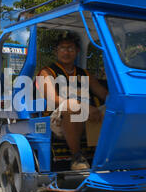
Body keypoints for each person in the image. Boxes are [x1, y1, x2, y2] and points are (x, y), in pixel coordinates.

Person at [37, 34, 108, 171]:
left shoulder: (85, 74)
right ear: (56, 51)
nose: (66, 52)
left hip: (89, 118)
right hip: (56, 120)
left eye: (70, 48)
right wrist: (84, 107)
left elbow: (104, 94)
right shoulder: (47, 72)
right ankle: (76, 157)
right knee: (71, 106)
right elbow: (53, 99)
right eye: (62, 48)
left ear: (77, 52)